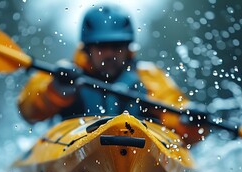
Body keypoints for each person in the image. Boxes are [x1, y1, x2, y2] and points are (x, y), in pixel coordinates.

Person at [17, 4, 206, 144]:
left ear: (127, 47)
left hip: (138, 147)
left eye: (116, 47)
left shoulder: (148, 77)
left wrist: (191, 121)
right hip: (75, 144)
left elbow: (177, 113)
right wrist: (58, 90)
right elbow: (28, 111)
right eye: (101, 46)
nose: (109, 54)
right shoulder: (66, 74)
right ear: (87, 48)